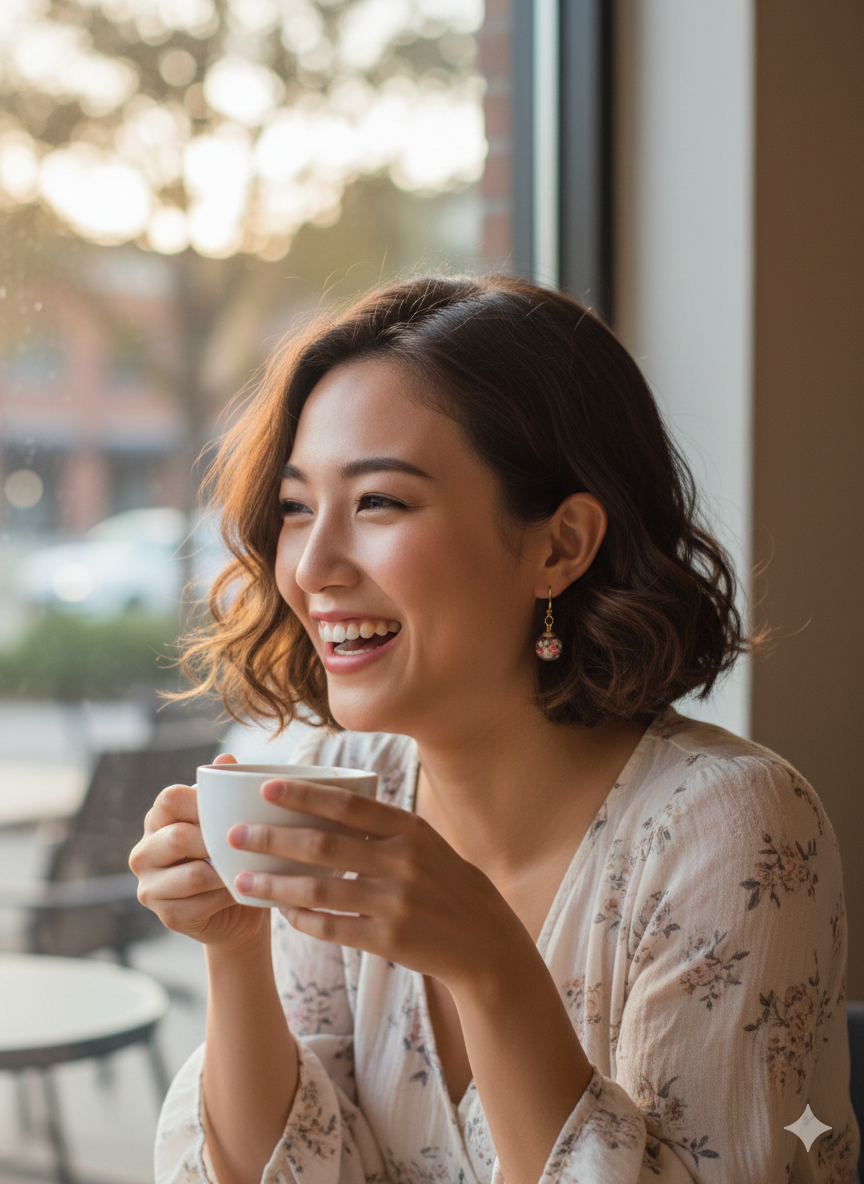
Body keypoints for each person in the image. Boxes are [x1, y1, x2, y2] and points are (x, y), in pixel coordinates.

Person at [130, 275, 859, 1184]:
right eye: (296, 507)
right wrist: (239, 951)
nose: (311, 566)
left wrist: (490, 965)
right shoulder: (342, 780)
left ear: (560, 546)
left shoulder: (728, 829)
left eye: (380, 503)